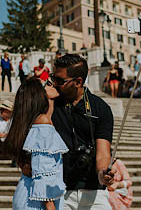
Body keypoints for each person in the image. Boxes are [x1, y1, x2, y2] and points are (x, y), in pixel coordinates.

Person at [49, 53, 117, 210]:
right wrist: (47, 100)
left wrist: (102, 173)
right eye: (54, 77)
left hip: (94, 190)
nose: (55, 83)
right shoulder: (51, 104)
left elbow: (103, 152)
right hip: (60, 190)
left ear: (78, 82)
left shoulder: (100, 108)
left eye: (60, 80)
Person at [2, 78, 68, 210]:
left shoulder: (34, 121)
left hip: (28, 195)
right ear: (39, 94)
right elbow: (43, 171)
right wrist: (50, 207)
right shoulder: (43, 122)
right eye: (46, 83)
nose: (52, 83)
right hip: (38, 201)